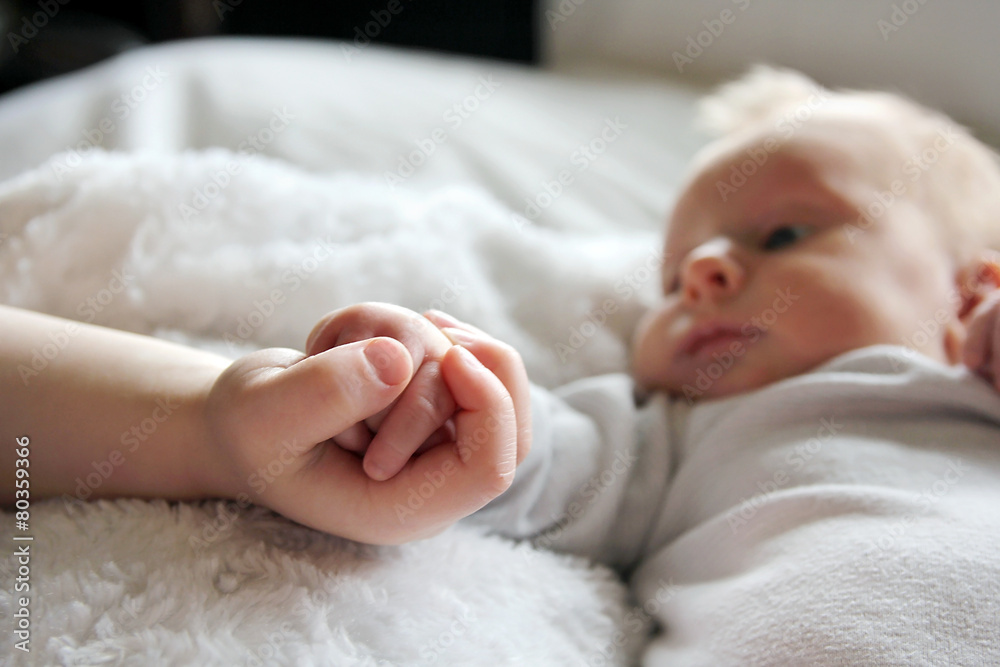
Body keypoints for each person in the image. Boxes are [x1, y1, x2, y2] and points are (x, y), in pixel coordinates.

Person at [4, 66, 1000, 662]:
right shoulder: (671, 439)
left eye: (784, 233)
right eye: (670, 275)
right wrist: (444, 395)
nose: (701, 272)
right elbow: (526, 462)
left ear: (967, 294)